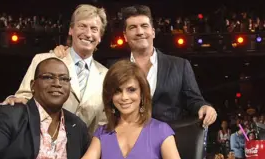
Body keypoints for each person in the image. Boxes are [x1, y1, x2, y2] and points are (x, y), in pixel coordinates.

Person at [36, 60, 241, 159]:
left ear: (142, 94)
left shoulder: (161, 131)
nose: (124, 97)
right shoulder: (103, 133)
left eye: (131, 90)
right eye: (117, 91)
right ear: (110, 97)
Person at [53, 5, 217, 127]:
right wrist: (64, 52)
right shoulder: (113, 67)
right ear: (125, 36)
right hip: (126, 145)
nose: (139, 32)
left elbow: (194, 100)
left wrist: (205, 107)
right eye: (133, 27)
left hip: (170, 144)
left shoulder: (180, 66)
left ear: (153, 31)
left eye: (144, 26)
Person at [1, 5, 108, 134]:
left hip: (84, 150)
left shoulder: (107, 76)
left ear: (100, 37)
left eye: (94, 29)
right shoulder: (43, 60)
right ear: (71, 30)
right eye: (82, 26)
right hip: (40, 145)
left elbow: (103, 122)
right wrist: (14, 101)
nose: (88, 33)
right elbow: (23, 97)